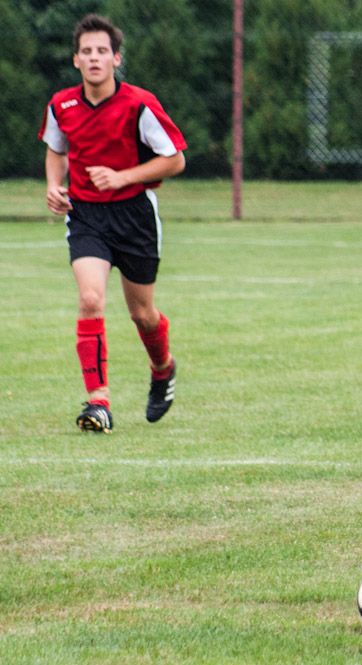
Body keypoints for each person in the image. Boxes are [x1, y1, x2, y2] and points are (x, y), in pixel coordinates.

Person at [39, 14, 186, 433]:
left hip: (135, 215)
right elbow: (56, 149)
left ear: (116, 58)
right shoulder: (61, 105)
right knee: (90, 299)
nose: (94, 58)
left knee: (143, 314)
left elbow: (175, 159)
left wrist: (124, 176)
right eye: (86, 51)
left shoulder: (139, 104)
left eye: (102, 51)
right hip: (86, 215)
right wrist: (54, 185)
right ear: (76, 60)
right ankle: (98, 401)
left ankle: (162, 368)